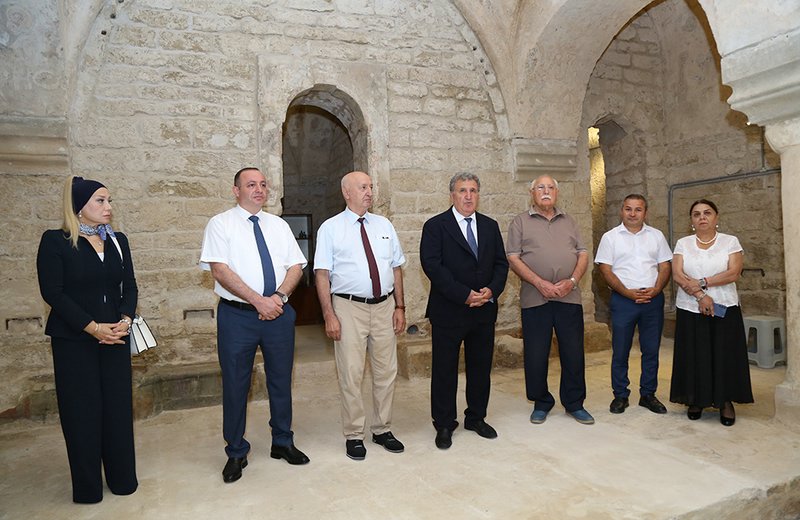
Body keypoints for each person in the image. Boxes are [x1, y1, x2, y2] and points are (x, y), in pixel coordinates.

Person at [200, 167, 310, 483]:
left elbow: (296, 266)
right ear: (236, 190)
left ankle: (283, 441)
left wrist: (277, 297)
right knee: (236, 384)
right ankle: (236, 451)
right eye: (251, 184)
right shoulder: (220, 224)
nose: (259, 189)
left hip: (279, 313)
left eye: (262, 184)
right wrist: (258, 301)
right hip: (238, 317)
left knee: (281, 380)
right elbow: (220, 270)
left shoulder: (278, 225)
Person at [36, 175, 138, 503]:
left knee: (118, 410)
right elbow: (53, 293)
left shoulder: (118, 240)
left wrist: (125, 319)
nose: (109, 207)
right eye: (101, 201)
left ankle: (123, 480)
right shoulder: (55, 241)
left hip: (116, 336)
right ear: (80, 207)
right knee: (82, 412)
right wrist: (93, 328)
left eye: (109, 201)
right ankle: (88, 488)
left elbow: (130, 286)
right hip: (74, 340)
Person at [314, 171, 407, 461]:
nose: (369, 192)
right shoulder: (331, 228)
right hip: (348, 307)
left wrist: (400, 307)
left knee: (386, 371)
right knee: (351, 373)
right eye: (362, 187)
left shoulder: (384, 225)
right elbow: (322, 274)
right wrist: (328, 314)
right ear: (347, 193)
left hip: (384, 306)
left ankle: (382, 429)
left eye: (370, 186)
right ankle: (354, 434)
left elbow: (396, 267)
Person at [420, 172, 509, 450]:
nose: (468, 196)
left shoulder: (490, 226)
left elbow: (501, 264)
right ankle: (444, 424)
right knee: (444, 370)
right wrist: (464, 295)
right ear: (452, 195)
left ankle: (476, 417)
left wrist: (491, 291)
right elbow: (432, 266)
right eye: (462, 191)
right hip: (449, 311)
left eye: (473, 190)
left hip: (483, 311)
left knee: (480, 368)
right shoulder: (436, 226)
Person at [506, 175, 594, 425]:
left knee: (573, 353)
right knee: (536, 354)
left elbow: (583, 253)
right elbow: (513, 257)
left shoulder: (570, 221)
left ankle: (574, 403)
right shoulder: (520, 222)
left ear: (557, 192)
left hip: (569, 296)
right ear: (532, 193)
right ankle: (541, 402)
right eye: (540, 188)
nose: (546, 191)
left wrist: (572, 282)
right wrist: (540, 283)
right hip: (535, 298)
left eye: (551, 187)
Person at [670, 199, 753, 426]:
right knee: (694, 353)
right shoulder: (683, 243)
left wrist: (703, 282)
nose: (702, 217)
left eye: (707, 213)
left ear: (716, 217)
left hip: (725, 306)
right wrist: (701, 296)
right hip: (690, 307)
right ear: (691, 221)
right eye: (696, 214)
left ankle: (725, 401)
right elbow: (678, 275)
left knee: (724, 354)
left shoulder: (730, 242)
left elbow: (733, 273)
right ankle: (696, 399)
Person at [595, 194, 673, 415]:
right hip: (623, 301)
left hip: (652, 300)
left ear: (645, 212)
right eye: (628, 209)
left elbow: (665, 266)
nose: (632, 213)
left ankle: (648, 394)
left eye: (638, 209)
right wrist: (627, 293)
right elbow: (605, 270)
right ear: (622, 211)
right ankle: (620, 395)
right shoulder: (610, 238)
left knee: (651, 350)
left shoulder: (656, 236)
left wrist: (656, 289)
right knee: (620, 350)